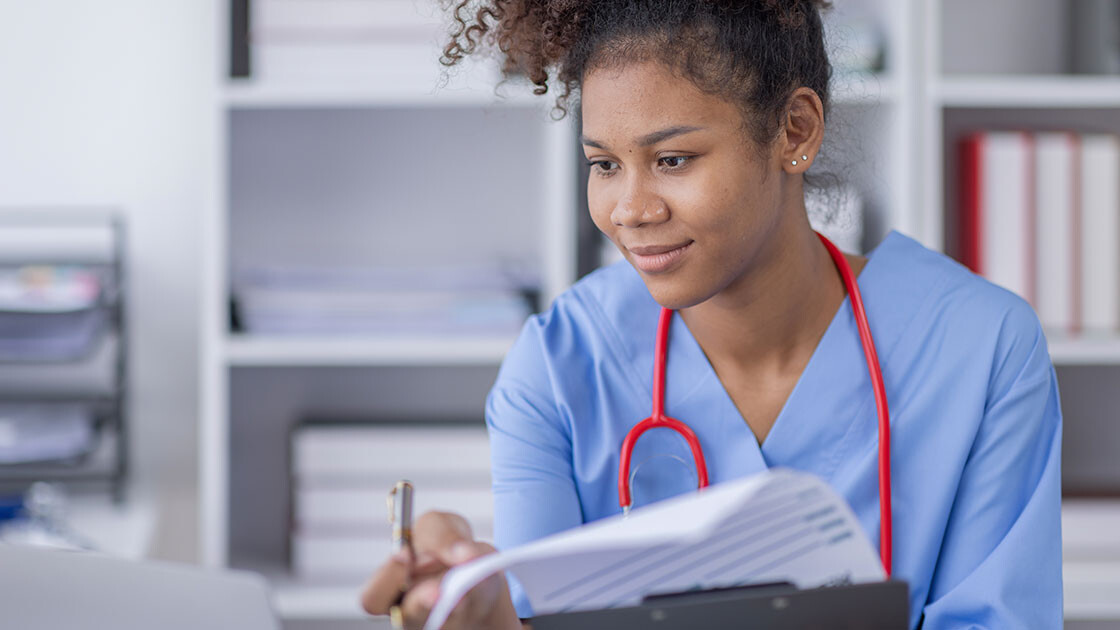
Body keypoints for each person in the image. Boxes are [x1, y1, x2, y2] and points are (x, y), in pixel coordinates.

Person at [361, 1, 1063, 628]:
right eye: (604, 164)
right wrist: (487, 622)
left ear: (794, 130)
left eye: (672, 159)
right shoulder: (559, 366)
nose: (631, 210)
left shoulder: (983, 349)